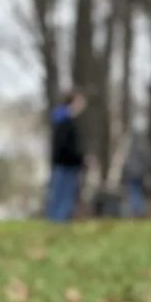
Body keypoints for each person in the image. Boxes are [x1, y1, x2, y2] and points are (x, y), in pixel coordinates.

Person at [46, 91, 86, 222]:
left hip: (65, 163)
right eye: (80, 101)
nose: (82, 104)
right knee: (62, 196)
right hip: (65, 164)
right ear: (73, 101)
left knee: (61, 196)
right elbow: (65, 146)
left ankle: (58, 222)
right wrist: (79, 159)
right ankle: (58, 222)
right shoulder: (64, 120)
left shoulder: (62, 119)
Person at [120, 130, 151, 218]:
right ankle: (138, 211)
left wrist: (124, 174)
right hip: (138, 174)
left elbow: (126, 164)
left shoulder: (129, 151)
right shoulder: (142, 150)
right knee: (137, 192)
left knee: (134, 192)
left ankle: (136, 211)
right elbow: (146, 162)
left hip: (132, 174)